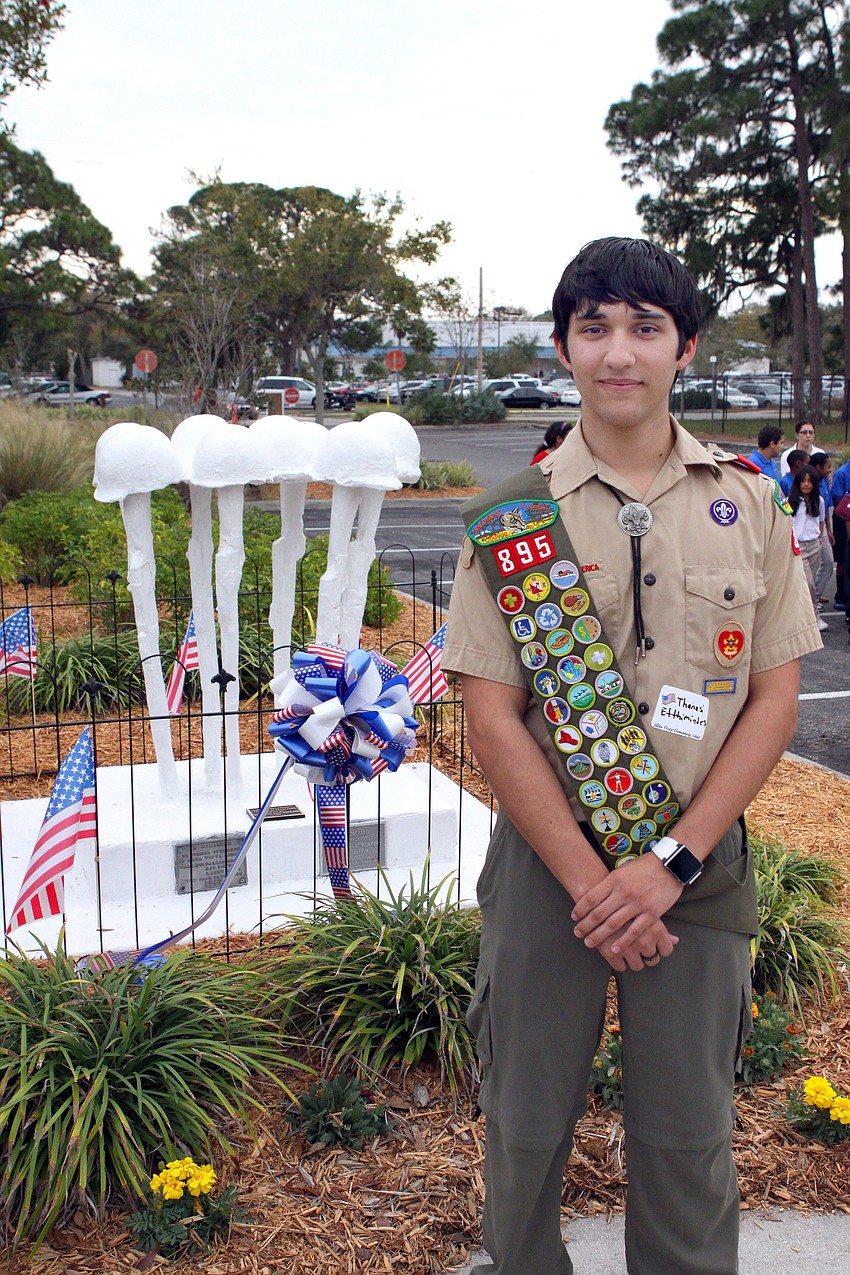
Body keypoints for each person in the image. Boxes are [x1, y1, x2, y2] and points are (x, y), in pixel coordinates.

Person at [443, 236, 821, 1275]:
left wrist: (669, 867)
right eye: (594, 327)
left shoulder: (748, 502)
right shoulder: (514, 518)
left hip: (697, 869)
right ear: (564, 348)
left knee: (689, 1137)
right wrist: (596, 883)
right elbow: (490, 715)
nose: (619, 352)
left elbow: (774, 696)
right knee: (523, 1128)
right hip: (546, 870)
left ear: (684, 348)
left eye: (644, 328)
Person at [788, 464, 828, 630]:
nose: (806, 484)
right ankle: (814, 617)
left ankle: (805, 616)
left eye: (810, 481)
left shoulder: (819, 501)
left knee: (808, 582)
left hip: (814, 545)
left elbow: (821, 521)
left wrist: (819, 538)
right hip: (798, 546)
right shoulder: (791, 501)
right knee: (808, 583)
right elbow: (787, 522)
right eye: (803, 481)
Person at [809, 452, 835, 605]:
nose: (830, 470)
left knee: (828, 562)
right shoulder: (807, 482)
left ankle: (815, 594)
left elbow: (824, 509)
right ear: (818, 467)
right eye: (828, 467)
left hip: (822, 527)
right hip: (809, 530)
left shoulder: (824, 481)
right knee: (811, 567)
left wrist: (829, 530)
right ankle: (810, 599)